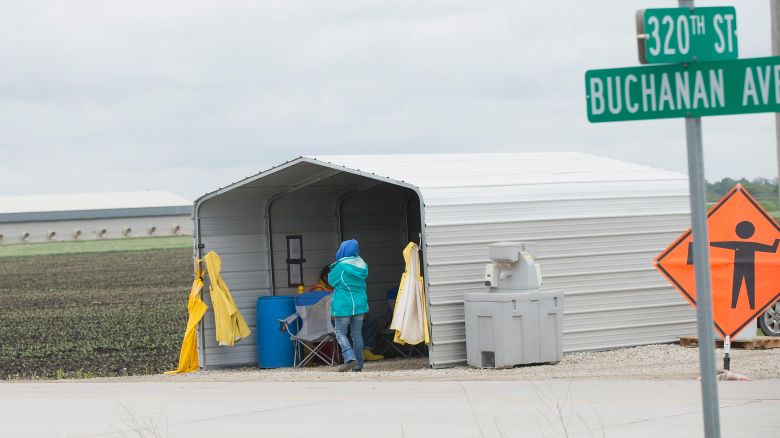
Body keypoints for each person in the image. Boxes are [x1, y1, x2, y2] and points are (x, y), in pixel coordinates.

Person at [328, 239, 369, 372]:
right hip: (359, 305)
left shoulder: (340, 266)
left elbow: (331, 281)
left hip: (343, 305)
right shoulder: (363, 265)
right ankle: (358, 365)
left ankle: (349, 358)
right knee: (357, 334)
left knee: (340, 333)